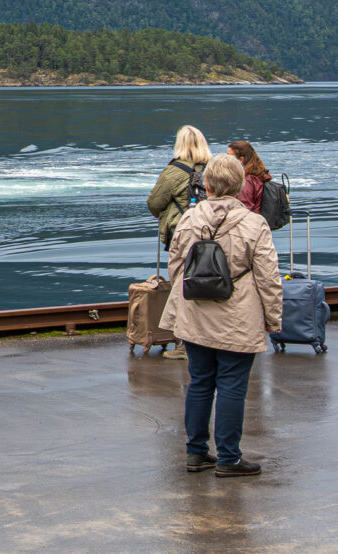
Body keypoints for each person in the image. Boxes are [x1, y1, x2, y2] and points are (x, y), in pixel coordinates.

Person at [160, 153, 282, 478]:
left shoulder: (188, 220)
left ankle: (196, 453)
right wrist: (273, 318)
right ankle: (228, 458)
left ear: (207, 184)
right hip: (238, 318)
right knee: (231, 386)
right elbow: (269, 279)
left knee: (200, 383)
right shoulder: (255, 224)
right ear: (240, 185)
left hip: (194, 314)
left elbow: (175, 268)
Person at [146, 125, 212, 359]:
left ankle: (184, 345)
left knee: (181, 287)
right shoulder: (214, 167)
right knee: (214, 283)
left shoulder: (172, 172)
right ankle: (211, 339)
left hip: (183, 235)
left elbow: (154, 203)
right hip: (215, 234)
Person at [228, 140, 272, 214]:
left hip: (250, 223)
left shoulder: (247, 180)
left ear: (241, 159)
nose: (227, 159)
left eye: (229, 156)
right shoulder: (260, 174)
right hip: (261, 221)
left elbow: (244, 208)